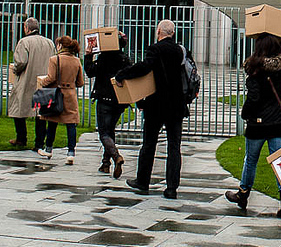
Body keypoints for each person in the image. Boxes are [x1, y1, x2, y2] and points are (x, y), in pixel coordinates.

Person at [225, 34, 281, 218]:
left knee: (251, 160)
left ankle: (243, 194)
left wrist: (245, 113)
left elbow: (254, 98)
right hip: (277, 122)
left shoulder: (255, 70)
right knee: (280, 162)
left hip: (258, 123)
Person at [115, 19, 186, 200]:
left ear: (159, 31)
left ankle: (143, 180)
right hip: (176, 104)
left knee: (149, 143)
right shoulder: (179, 51)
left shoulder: (155, 49)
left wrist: (123, 74)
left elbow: (145, 67)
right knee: (174, 146)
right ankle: (171, 188)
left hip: (158, 102)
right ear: (173, 33)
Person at [84, 32, 132, 178]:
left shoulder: (104, 58)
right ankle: (106, 164)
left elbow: (90, 71)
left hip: (104, 98)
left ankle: (116, 157)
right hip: (119, 100)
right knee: (110, 130)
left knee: (104, 132)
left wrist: (88, 55)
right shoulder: (125, 59)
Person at [8, 17, 54, 151]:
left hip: (27, 79)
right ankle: (39, 142)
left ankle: (21, 138)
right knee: (41, 112)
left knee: (19, 108)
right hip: (44, 81)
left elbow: (21, 61)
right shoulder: (49, 42)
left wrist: (15, 70)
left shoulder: (24, 42)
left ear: (27, 28)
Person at [38, 35, 85, 165]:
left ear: (60, 46)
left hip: (56, 93)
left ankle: (48, 149)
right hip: (70, 94)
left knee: (52, 120)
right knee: (71, 123)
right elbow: (80, 82)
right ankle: (71, 152)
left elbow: (51, 78)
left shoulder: (54, 59)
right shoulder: (76, 61)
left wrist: (42, 81)